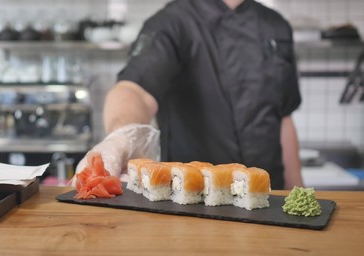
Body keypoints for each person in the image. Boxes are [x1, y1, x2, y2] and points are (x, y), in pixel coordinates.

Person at [76, 0, 304, 190]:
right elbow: (134, 89)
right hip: (194, 200)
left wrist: (297, 190)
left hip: (268, 195)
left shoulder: (276, 26)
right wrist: (123, 136)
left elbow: (283, 118)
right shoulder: (171, 22)